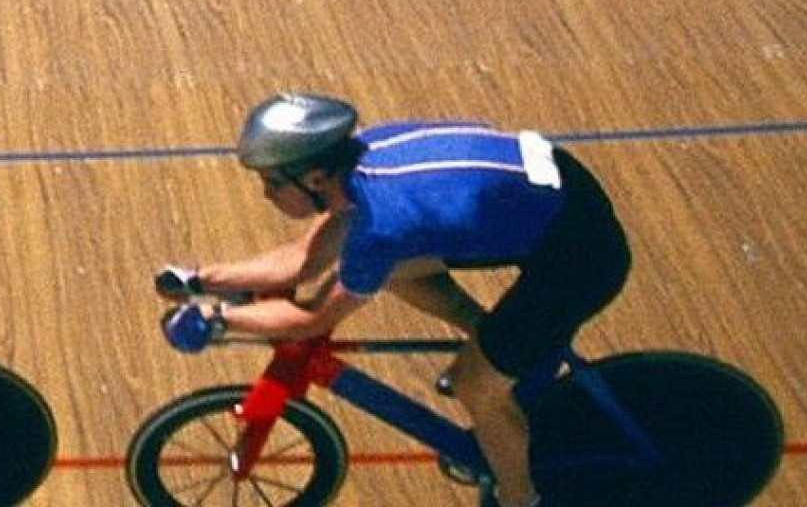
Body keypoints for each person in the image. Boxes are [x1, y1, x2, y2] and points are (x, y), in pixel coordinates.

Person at [157, 93, 630, 507]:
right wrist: (199, 278)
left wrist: (219, 320)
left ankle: (521, 497)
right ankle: (486, 336)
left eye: (273, 183)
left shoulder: (382, 223)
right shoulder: (363, 157)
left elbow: (309, 318)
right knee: (389, 270)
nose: (265, 194)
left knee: (475, 386)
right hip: (547, 199)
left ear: (316, 177)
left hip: (579, 254)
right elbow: (301, 262)